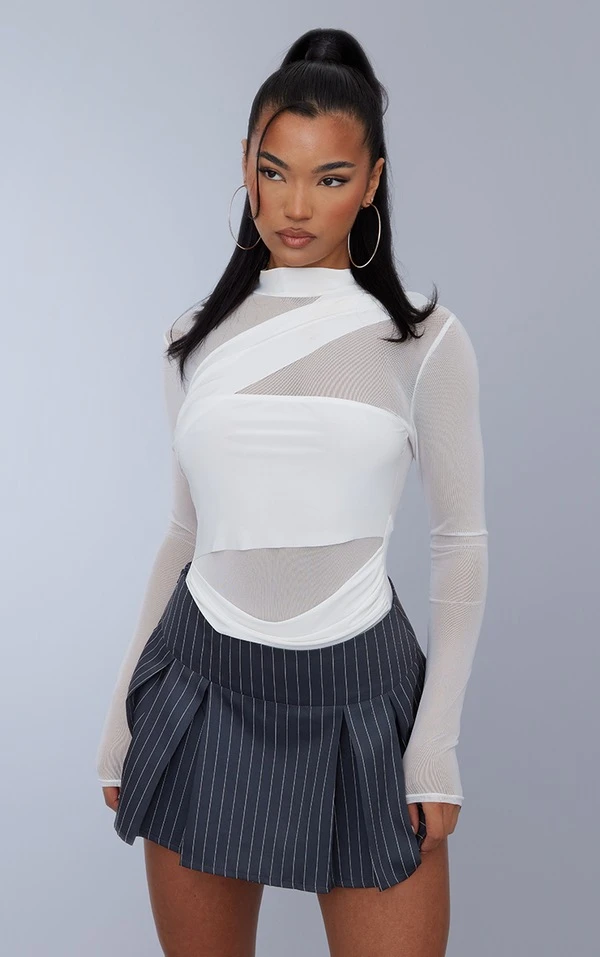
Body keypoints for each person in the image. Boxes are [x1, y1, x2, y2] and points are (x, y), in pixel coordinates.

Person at [96, 26, 488, 957]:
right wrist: (119, 719)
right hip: (200, 688)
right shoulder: (192, 337)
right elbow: (184, 533)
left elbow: (460, 542)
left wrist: (435, 742)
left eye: (330, 177)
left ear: (373, 182)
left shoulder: (424, 340)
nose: (297, 205)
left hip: (362, 701)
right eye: (275, 172)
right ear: (246, 166)